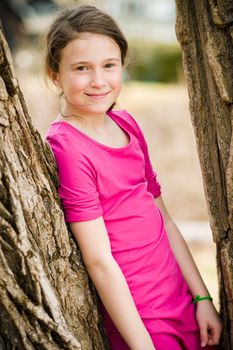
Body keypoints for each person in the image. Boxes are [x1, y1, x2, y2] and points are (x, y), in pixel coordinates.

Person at [45, 5, 222, 350]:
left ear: (122, 66)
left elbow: (164, 220)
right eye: (82, 68)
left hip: (182, 302)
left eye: (109, 66)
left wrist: (202, 299)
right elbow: (99, 260)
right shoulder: (67, 146)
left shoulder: (126, 123)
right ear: (55, 74)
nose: (98, 81)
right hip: (140, 321)